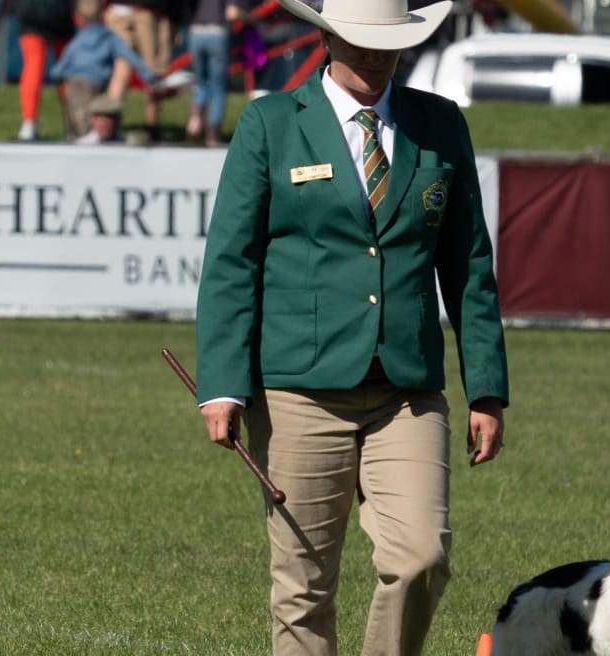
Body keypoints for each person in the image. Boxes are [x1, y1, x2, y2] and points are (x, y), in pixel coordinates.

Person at [194, 0, 509, 653]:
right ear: (325, 36)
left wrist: (486, 388)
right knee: (303, 590)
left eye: (387, 43)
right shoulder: (270, 122)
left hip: (407, 391)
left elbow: (470, 263)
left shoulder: (441, 124)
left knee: (423, 556)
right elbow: (232, 262)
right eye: (358, 41)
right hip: (297, 393)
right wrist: (221, 384)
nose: (373, 56)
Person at [50, 0, 160, 142]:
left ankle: (80, 138)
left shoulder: (78, 40)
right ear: (103, 14)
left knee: (79, 116)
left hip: (76, 83)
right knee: (95, 115)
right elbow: (127, 54)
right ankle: (93, 138)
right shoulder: (110, 37)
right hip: (99, 83)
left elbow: (66, 59)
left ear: (78, 18)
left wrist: (57, 74)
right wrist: (146, 73)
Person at [103, 0, 174, 141]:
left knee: (121, 69)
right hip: (146, 10)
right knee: (152, 72)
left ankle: (107, 128)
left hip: (117, 9)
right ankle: (152, 129)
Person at [185, 0, 250, 147]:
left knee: (201, 83)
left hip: (196, 32)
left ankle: (195, 118)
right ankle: (213, 135)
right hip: (217, 32)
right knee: (218, 87)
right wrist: (250, 19)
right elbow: (232, 13)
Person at [13, 0, 76, 141]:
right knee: (66, 69)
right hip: (60, 12)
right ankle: (73, 122)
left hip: (30, 12)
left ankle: (29, 123)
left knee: (32, 67)